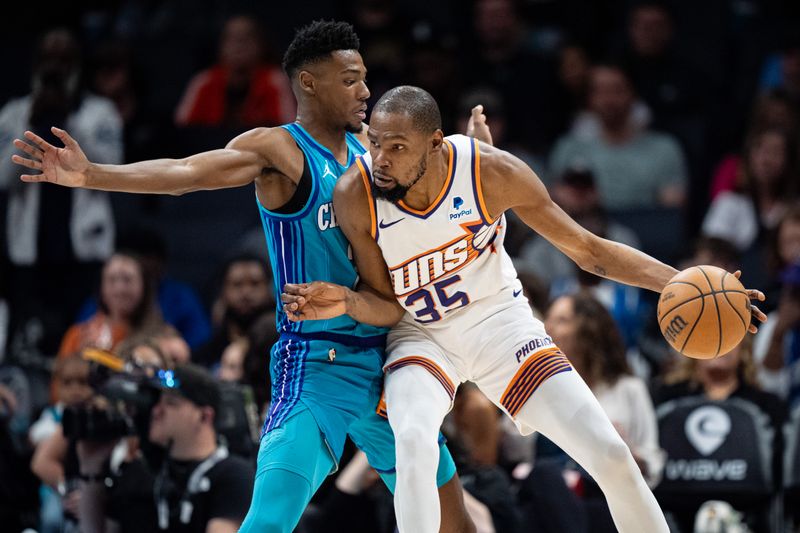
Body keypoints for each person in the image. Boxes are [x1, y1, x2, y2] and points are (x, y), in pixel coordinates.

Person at [11, 21, 486, 533]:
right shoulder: (280, 151)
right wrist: (94, 175)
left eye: (365, 78)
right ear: (308, 82)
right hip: (317, 365)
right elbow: (186, 174)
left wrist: (469, 161)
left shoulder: (375, 149)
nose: (366, 90)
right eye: (350, 80)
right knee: (267, 523)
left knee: (452, 520)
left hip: (387, 356)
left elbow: (438, 194)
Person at [281, 85, 768, 533]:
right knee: (412, 442)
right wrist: (346, 300)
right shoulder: (356, 193)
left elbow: (587, 250)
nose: (381, 159)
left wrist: (683, 283)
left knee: (612, 457)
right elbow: (387, 305)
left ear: (435, 143)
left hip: (498, 325)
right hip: (420, 334)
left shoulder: (490, 172)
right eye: (377, 144)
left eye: (397, 148)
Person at [76, 364, 255, 533]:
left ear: (204, 416)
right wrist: (91, 467)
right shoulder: (141, 471)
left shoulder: (233, 475)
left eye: (171, 403)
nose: (156, 411)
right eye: (157, 403)